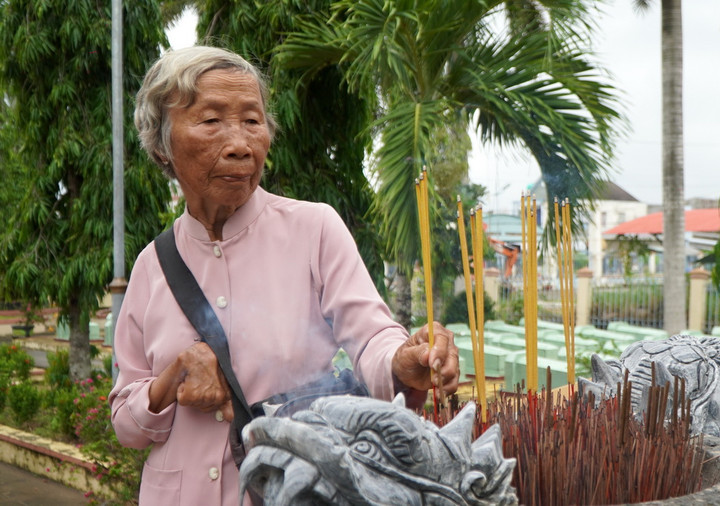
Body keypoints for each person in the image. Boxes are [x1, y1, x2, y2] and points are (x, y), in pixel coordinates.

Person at [109, 45, 459, 506]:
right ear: (162, 144)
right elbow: (126, 423)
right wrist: (170, 379)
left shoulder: (314, 229)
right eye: (212, 121)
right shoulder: (152, 266)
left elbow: (372, 337)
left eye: (252, 121)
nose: (239, 143)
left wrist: (401, 362)